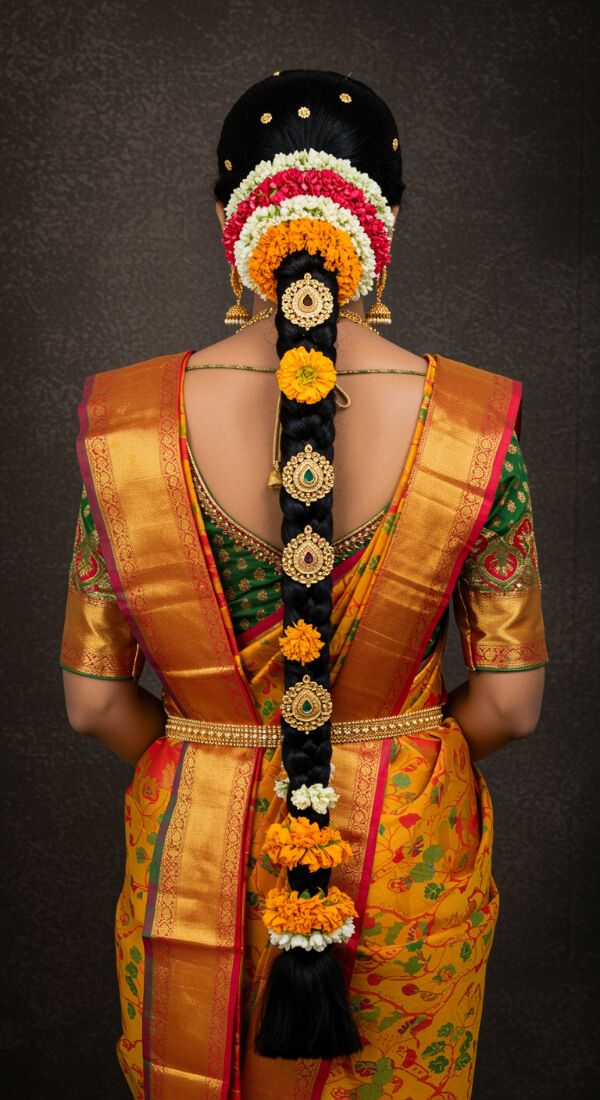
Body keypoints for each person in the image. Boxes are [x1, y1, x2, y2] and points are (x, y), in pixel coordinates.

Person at [59, 69, 548, 1100]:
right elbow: (510, 703)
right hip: (403, 853)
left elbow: (95, 701)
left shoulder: (129, 429)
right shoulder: (473, 431)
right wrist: (397, 746)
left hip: (194, 844)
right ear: (386, 223)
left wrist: (210, 751)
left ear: (229, 222)